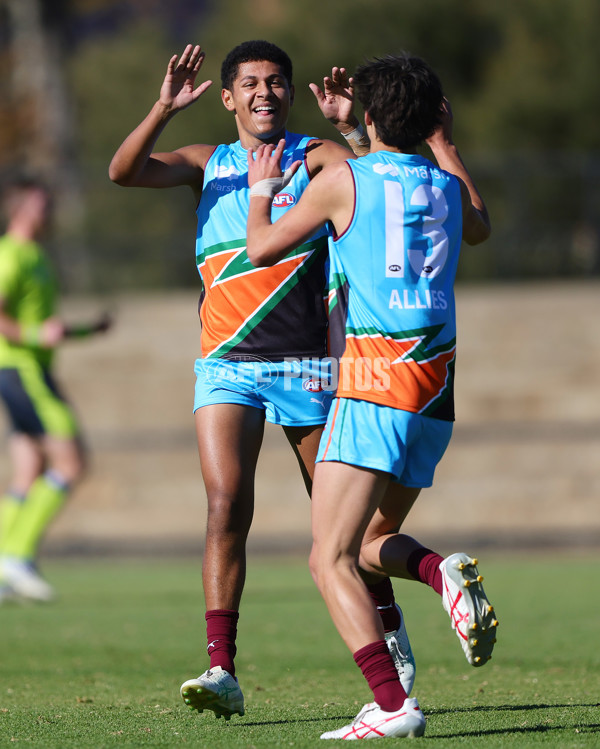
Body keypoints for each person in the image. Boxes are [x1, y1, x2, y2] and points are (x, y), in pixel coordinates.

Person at [109, 40, 419, 721]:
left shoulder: (316, 158)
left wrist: (348, 128)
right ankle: (221, 666)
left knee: (342, 525)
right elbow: (123, 172)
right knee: (225, 505)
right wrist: (163, 107)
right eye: (250, 83)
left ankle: (388, 621)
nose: (265, 92)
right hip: (225, 363)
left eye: (276, 81)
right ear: (227, 97)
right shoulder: (207, 164)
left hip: (308, 363)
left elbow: (385, 183)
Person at [246, 53, 496, 739]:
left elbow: (263, 247)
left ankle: (392, 705)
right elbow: (476, 221)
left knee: (326, 556)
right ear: (431, 117)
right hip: (433, 393)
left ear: (375, 113)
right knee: (369, 543)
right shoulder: (446, 187)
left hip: (372, 386)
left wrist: (263, 186)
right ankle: (438, 569)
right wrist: (437, 140)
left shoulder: (340, 180)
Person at [0, 177, 112, 603]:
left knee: (28, 468)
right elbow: (15, 322)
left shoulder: (37, 257)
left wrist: (89, 330)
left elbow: (50, 329)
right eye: (38, 205)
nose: (45, 213)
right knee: (71, 463)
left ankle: (5, 568)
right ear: (18, 209)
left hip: (25, 368)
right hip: (23, 371)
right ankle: (16, 556)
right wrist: (32, 333)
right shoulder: (11, 256)